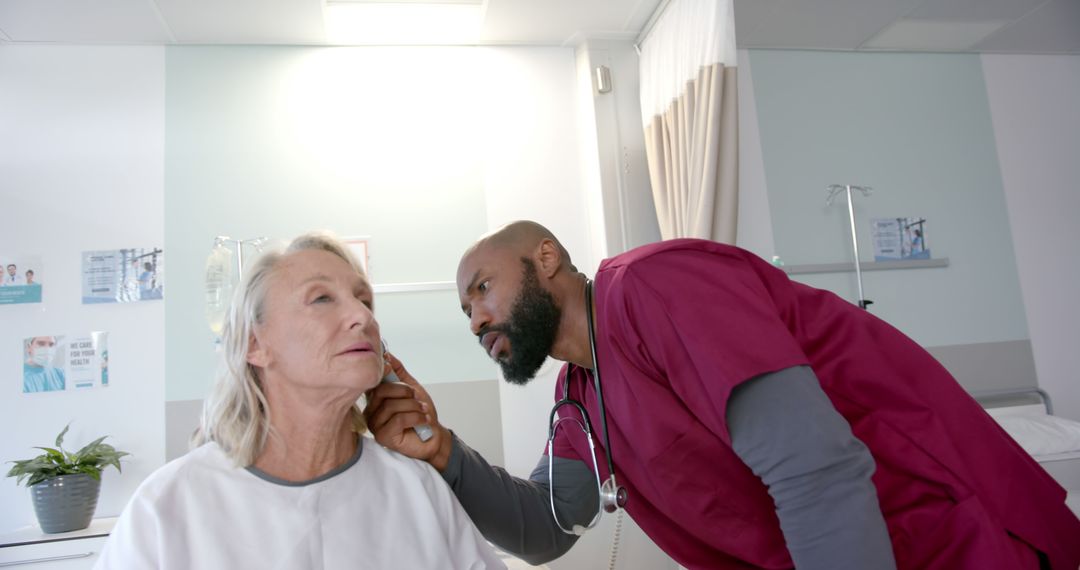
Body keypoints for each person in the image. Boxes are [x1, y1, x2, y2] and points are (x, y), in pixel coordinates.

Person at [365, 220, 1080, 569]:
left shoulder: (651, 286)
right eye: (464, 314)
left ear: (545, 256)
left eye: (481, 289)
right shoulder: (578, 396)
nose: (477, 319)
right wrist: (444, 455)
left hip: (948, 545)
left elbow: (815, 470)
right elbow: (544, 528)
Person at [94, 233, 503, 569]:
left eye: (364, 300)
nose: (363, 317)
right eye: (322, 298)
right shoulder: (166, 509)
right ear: (256, 344)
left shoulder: (416, 489)